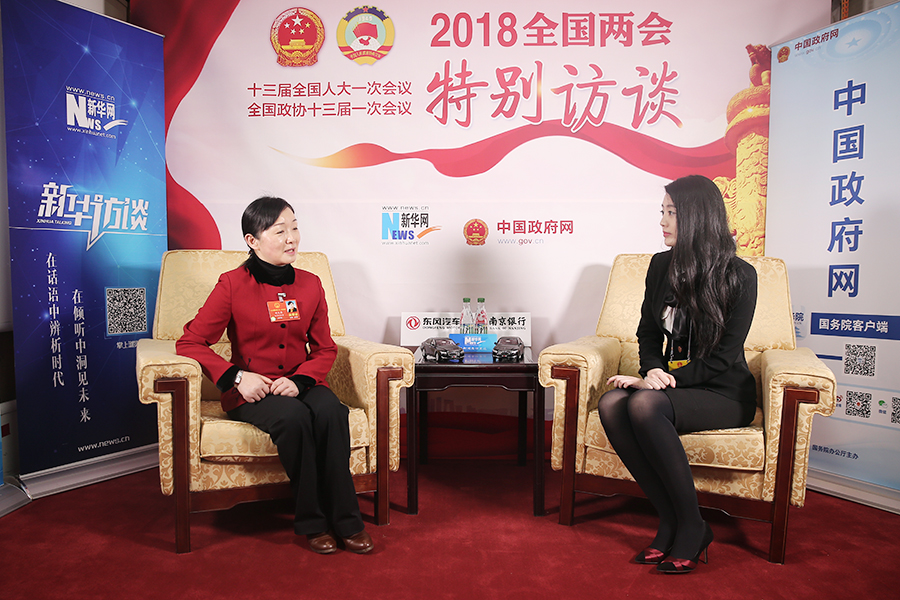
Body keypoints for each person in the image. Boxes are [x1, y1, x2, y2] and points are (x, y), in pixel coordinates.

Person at [176, 196, 373, 555]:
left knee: (332, 412)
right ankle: (313, 523)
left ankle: (348, 520)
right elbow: (190, 341)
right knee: (294, 419)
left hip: (301, 381)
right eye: (280, 231)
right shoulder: (232, 285)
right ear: (252, 240)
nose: (291, 238)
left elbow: (325, 348)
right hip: (253, 390)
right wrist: (238, 377)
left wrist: (301, 381)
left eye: (294, 228)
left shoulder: (311, 284)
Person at [597, 175, 757, 574]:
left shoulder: (740, 275)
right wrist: (652, 368)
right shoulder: (660, 265)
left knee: (645, 404)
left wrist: (658, 382)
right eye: (663, 211)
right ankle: (669, 520)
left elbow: (725, 356)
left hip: (724, 392)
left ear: (697, 217)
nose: (663, 221)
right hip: (673, 385)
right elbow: (648, 332)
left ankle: (692, 525)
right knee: (613, 403)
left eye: (672, 212)